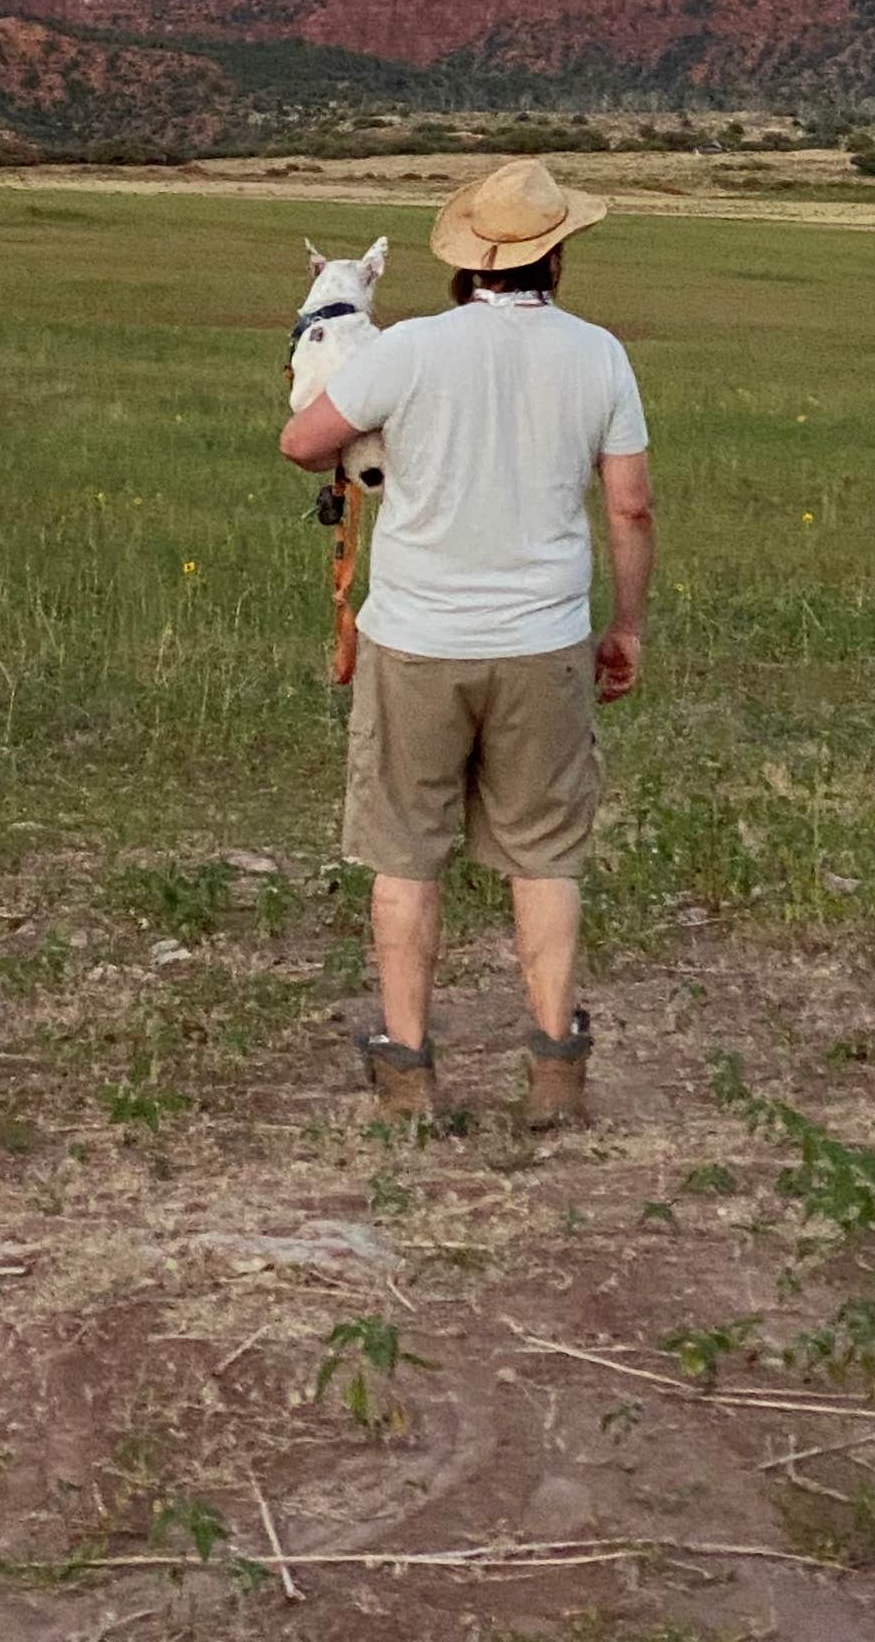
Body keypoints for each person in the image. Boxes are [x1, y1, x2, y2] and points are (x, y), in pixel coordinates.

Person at [277, 156, 655, 1128]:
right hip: (544, 644)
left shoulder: (408, 350)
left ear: (463, 262)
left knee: (407, 855)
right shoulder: (600, 355)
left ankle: (407, 1072)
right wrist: (626, 627)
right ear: (556, 258)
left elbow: (302, 443)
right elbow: (631, 505)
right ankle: (555, 1075)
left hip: (416, 641)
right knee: (545, 858)